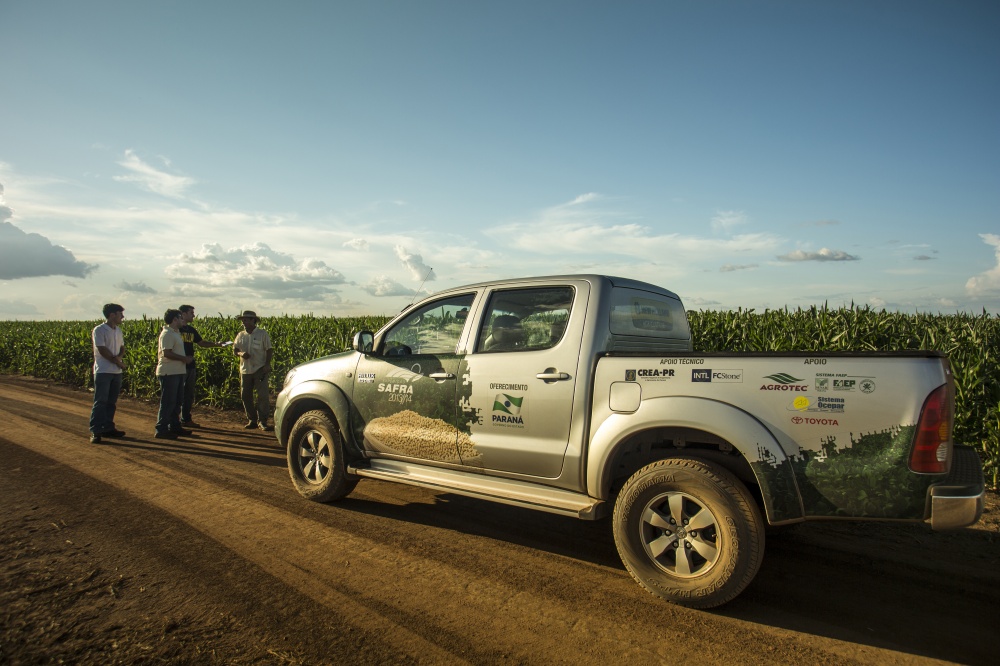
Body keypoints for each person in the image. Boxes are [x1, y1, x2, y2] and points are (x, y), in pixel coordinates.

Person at [178, 304, 226, 427]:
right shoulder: (175, 330)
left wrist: (217, 344)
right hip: (178, 366)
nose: (193, 315)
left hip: (190, 366)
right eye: (191, 313)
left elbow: (202, 343)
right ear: (183, 314)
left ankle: (186, 419)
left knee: (188, 394)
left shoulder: (191, 330)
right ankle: (174, 421)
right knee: (178, 394)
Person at [89, 303, 127, 444]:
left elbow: (122, 347)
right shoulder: (99, 330)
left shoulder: (118, 331)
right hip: (103, 370)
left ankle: (108, 427)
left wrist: (119, 358)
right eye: (120, 314)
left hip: (116, 371)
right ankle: (96, 430)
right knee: (101, 401)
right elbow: (102, 349)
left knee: (111, 402)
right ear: (112, 315)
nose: (122, 317)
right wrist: (117, 361)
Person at [155, 309, 193, 439]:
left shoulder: (175, 333)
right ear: (174, 319)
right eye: (180, 317)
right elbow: (167, 353)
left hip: (177, 371)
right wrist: (184, 359)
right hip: (169, 372)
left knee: (177, 401)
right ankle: (161, 429)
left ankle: (175, 426)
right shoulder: (167, 334)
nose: (183, 320)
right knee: (168, 402)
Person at [233, 310, 273, 431]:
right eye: (243, 320)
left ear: (253, 320)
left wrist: (267, 364)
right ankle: (252, 419)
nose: (244, 322)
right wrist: (241, 353)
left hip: (260, 368)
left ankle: (263, 421)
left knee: (262, 396)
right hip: (245, 370)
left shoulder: (262, 334)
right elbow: (235, 350)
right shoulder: (240, 335)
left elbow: (269, 349)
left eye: (246, 320)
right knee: (245, 396)